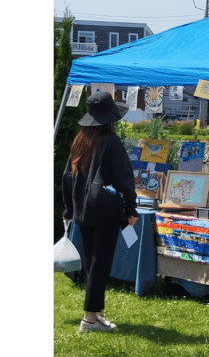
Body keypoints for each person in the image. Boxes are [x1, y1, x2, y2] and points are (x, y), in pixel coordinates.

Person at [62, 92, 138, 333]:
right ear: (109, 119)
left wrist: (69, 210)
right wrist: (131, 209)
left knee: (93, 264)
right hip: (104, 212)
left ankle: (98, 313)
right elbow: (124, 179)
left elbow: (67, 178)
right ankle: (89, 319)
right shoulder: (111, 142)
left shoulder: (79, 141)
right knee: (99, 266)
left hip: (82, 213)